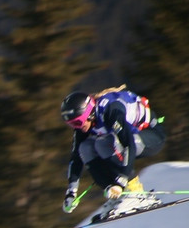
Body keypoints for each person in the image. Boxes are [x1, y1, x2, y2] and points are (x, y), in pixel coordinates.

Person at [60, 85, 166, 218]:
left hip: (152, 137)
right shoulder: (84, 125)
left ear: (88, 113)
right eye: (71, 124)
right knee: (85, 147)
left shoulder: (111, 110)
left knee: (104, 143)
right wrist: (71, 192)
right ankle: (117, 197)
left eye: (77, 122)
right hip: (126, 143)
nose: (77, 127)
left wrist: (121, 182)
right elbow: (76, 157)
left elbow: (129, 144)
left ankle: (135, 193)